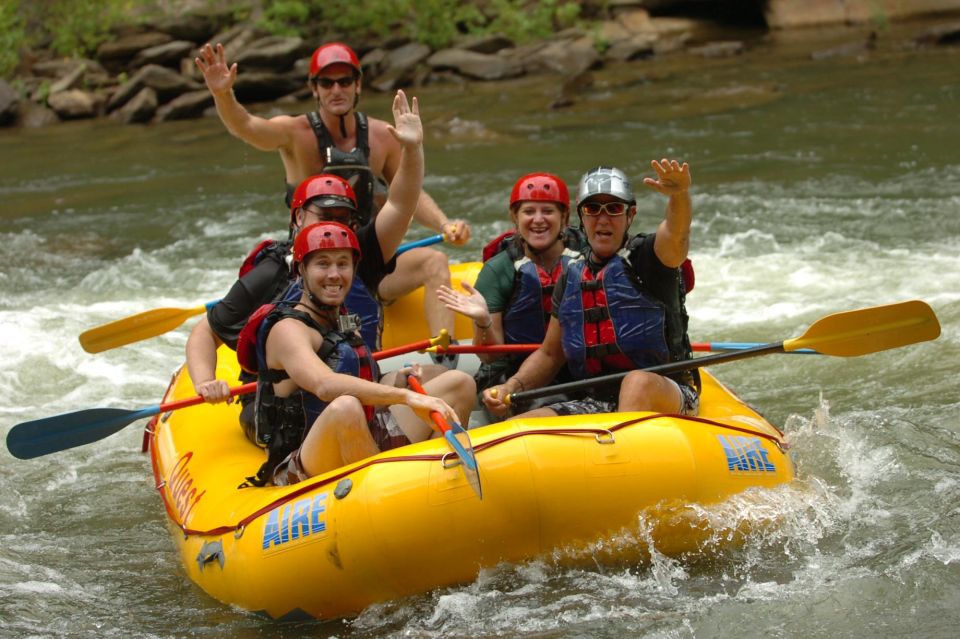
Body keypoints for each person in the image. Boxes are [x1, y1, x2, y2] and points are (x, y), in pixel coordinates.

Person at [195, 41, 470, 362]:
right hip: (312, 261)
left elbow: (405, 194)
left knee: (434, 261)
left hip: (366, 255)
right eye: (327, 82)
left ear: (358, 85)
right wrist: (223, 95)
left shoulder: (384, 135)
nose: (336, 89)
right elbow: (246, 127)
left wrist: (443, 223)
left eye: (344, 81)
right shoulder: (294, 132)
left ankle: (444, 359)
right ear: (315, 89)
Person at [186, 90, 426, 432]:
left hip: (354, 383)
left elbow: (402, 203)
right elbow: (206, 330)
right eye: (325, 214)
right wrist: (206, 381)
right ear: (298, 218)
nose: (335, 224)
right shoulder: (273, 270)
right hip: (290, 409)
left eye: (344, 217)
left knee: (448, 382)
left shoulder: (359, 255)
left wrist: (413, 149)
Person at [239, 222, 476, 485]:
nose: (334, 274)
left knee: (460, 383)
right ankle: (386, 491)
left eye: (343, 264)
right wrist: (406, 396)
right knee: (345, 407)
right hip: (305, 456)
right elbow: (326, 386)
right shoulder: (288, 330)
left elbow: (366, 382)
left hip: (364, 433)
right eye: (322, 264)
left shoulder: (343, 319)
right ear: (301, 270)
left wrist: (398, 380)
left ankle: (441, 481)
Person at [482, 161, 700, 419]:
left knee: (636, 382)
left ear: (630, 215)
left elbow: (677, 234)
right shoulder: (572, 275)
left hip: (667, 390)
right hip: (597, 399)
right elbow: (550, 354)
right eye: (593, 209)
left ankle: (626, 450)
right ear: (582, 217)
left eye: (614, 208)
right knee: (523, 425)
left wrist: (679, 195)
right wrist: (510, 387)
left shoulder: (650, 257)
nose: (603, 218)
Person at [436, 172, 583, 415]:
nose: (538, 220)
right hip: (512, 373)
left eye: (548, 211)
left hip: (577, 370)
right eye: (528, 212)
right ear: (515, 217)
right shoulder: (498, 270)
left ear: (564, 217)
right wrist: (483, 322)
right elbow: (490, 358)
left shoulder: (588, 256)